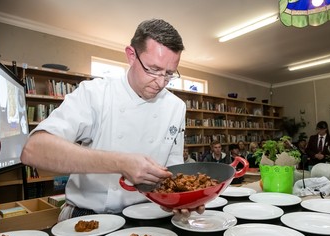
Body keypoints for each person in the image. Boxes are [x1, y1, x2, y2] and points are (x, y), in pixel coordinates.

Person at [20, 19, 203, 221]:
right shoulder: (95, 93)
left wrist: (182, 200)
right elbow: (33, 151)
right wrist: (120, 162)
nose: (161, 82)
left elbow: (172, 173)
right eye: (153, 69)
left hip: (149, 213)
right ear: (131, 55)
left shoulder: (176, 106)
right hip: (88, 214)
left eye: (169, 73)